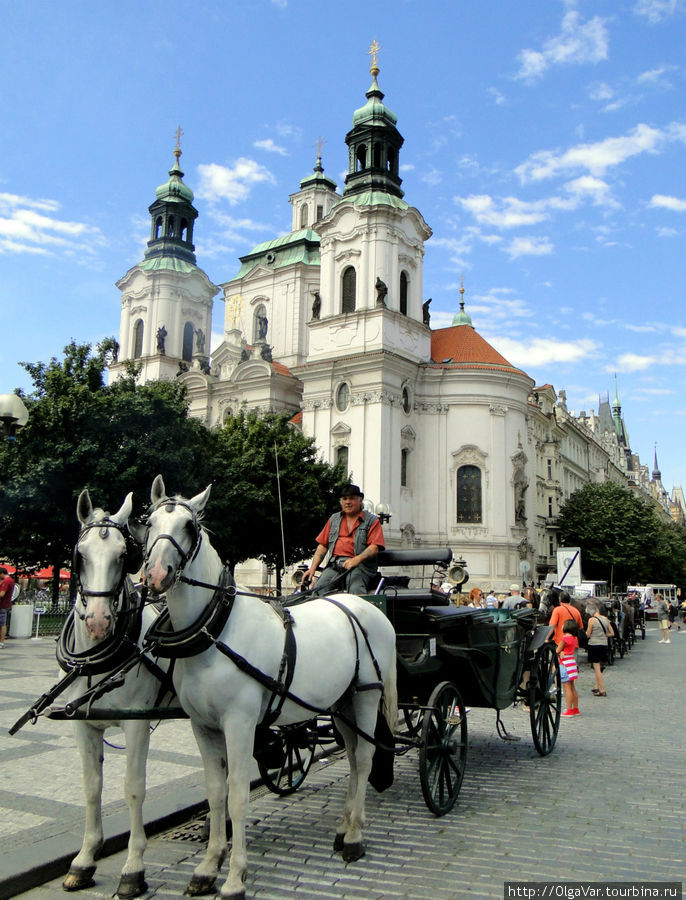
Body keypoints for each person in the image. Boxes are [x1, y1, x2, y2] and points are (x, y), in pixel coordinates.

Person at [302, 484, 385, 597]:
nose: (348, 502)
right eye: (344, 499)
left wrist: (356, 560)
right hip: (335, 566)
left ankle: (359, 614)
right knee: (317, 591)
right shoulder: (334, 519)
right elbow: (323, 546)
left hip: (360, 567)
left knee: (356, 591)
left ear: (360, 501)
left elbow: (374, 547)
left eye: (352, 498)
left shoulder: (372, 521)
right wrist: (312, 569)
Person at [586, 601, 615, 696]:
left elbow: (588, 634)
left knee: (596, 668)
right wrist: (605, 635)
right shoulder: (605, 619)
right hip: (604, 644)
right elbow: (612, 633)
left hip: (594, 645)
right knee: (599, 667)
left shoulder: (591, 620)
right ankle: (596, 686)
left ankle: (602, 689)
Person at [557, 618, 580, 717]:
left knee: (567, 689)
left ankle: (569, 710)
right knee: (573, 687)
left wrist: (560, 651)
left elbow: (557, 650)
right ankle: (575, 708)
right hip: (572, 663)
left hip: (565, 664)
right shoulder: (574, 638)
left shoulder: (565, 638)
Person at [0, 567, 16, 647]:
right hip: (6, 604)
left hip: (2, 605)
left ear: (2, 574)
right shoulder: (10, 580)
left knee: (2, 624)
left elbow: (1, 594)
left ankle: (1, 642)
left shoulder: (6, 581)